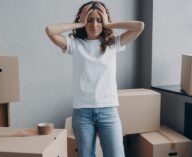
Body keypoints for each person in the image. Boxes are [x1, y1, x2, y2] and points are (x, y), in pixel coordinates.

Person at [45, 1, 144, 157]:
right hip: (82, 113)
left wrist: (109, 24)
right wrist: (79, 23)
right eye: (89, 20)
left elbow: (139, 26)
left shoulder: (113, 44)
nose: (94, 25)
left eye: (99, 20)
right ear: (83, 21)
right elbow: (50, 31)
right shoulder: (75, 45)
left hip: (109, 112)